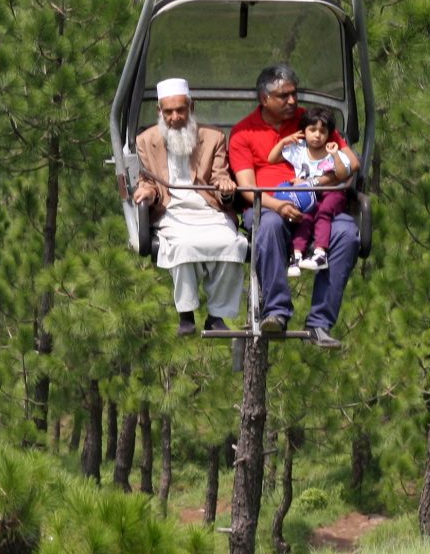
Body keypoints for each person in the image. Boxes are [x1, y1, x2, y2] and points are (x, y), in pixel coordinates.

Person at [228, 64, 360, 349]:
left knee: (347, 234)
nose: (292, 101)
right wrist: (278, 205)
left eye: (294, 94)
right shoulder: (243, 134)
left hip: (316, 204)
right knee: (269, 225)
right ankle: (276, 311)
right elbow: (248, 188)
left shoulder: (311, 123)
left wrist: (316, 184)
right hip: (270, 204)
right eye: (283, 96)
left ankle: (320, 323)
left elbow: (351, 162)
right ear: (264, 99)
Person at [131, 77, 244, 336]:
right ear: (159, 112)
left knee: (232, 243)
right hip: (171, 210)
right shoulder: (146, 140)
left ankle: (217, 316)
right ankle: (186, 311)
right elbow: (147, 180)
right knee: (181, 245)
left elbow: (219, 176)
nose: (175, 117)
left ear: (191, 108)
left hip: (208, 208)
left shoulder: (213, 137)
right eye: (168, 112)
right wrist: (145, 192)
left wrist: (225, 186)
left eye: (180, 110)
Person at [266, 108, 357, 276]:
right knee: (305, 217)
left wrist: (335, 154)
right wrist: (283, 142)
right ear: (304, 131)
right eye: (312, 130)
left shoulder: (332, 151)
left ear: (329, 134)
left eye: (322, 131)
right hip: (309, 196)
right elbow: (272, 158)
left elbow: (343, 173)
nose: (317, 135)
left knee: (323, 212)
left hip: (331, 193)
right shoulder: (299, 150)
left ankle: (320, 253)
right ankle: (297, 254)